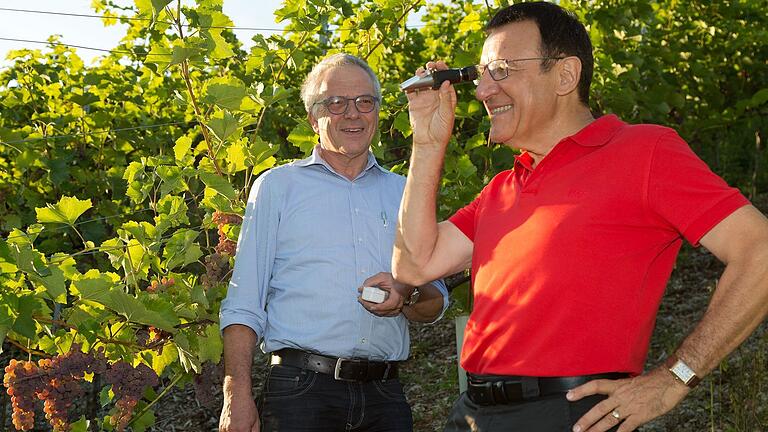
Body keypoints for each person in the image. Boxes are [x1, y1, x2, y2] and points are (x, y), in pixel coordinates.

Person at [392, 2, 768, 432]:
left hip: (571, 414)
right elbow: (414, 264)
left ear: (566, 76)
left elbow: (759, 251)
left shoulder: (645, 152)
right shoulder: (502, 188)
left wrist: (675, 377)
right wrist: (426, 141)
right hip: (471, 413)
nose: (482, 91)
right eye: (481, 75)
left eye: (501, 70)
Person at [218, 53, 449, 432]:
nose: (352, 114)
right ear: (313, 118)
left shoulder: (405, 192)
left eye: (364, 102)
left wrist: (407, 293)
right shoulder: (277, 188)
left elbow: (436, 301)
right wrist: (236, 395)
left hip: (385, 397)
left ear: (376, 111)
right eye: (336, 103)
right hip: (300, 395)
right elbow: (244, 305)